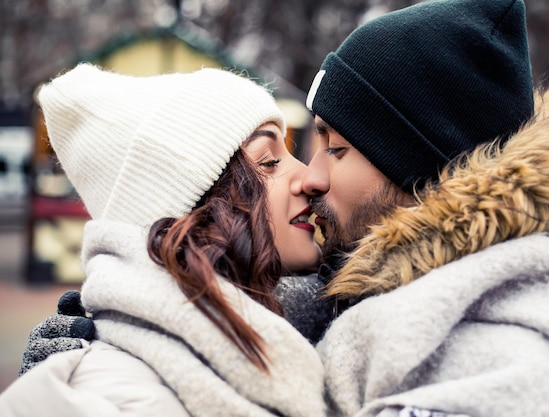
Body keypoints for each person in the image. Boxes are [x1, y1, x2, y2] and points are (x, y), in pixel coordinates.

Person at [302, 0, 549, 416]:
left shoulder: (504, 370)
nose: (311, 176)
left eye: (336, 149)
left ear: (418, 169)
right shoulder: (433, 313)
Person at [0, 63, 328, 417]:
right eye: (267, 162)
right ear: (198, 211)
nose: (309, 177)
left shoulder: (329, 319)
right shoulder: (101, 398)